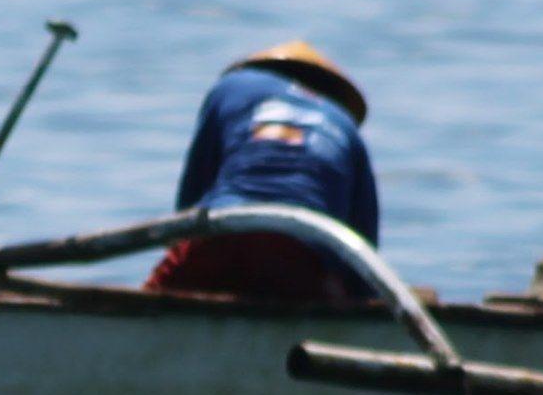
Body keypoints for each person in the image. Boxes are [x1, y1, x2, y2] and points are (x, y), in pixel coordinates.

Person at [145, 41, 381, 304]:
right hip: (302, 247)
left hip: (222, 228)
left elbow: (191, 199)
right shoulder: (345, 126)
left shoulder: (231, 87)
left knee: (151, 304)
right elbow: (362, 253)